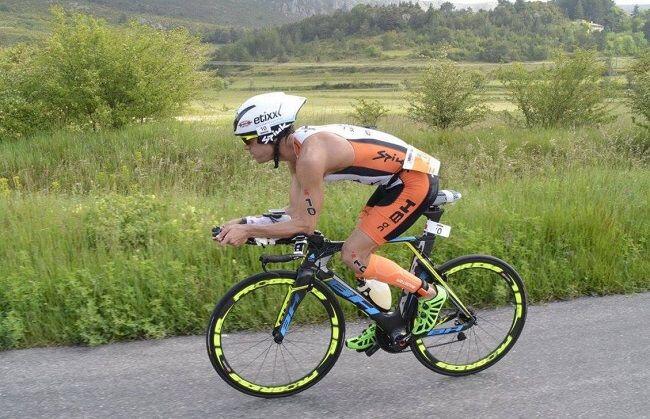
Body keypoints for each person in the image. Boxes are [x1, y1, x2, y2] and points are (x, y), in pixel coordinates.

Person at [214, 92, 447, 350]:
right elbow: (294, 211)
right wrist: (245, 223)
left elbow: (305, 225)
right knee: (358, 258)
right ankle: (387, 321)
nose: (246, 147)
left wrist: (248, 230)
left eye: (249, 139)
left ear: (270, 134)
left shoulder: (310, 158)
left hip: (414, 181)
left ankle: (430, 294)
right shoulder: (297, 152)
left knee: (354, 254)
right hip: (394, 181)